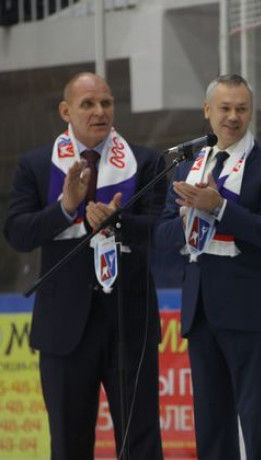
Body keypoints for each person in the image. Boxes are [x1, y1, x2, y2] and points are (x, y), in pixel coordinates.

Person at [3, 72, 164, 459]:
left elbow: (162, 231)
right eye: (88, 104)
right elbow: (18, 233)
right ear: (65, 111)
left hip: (129, 321)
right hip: (63, 326)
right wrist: (65, 208)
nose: (99, 112)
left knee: (140, 442)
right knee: (69, 444)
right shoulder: (36, 164)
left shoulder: (145, 161)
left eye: (106, 103)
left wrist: (117, 222)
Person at [155, 74, 261, 460]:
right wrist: (187, 217)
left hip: (247, 308)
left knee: (256, 418)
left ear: (251, 112)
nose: (233, 117)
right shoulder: (189, 165)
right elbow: (163, 235)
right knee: (211, 423)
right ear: (207, 110)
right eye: (225, 108)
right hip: (200, 308)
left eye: (241, 109)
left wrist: (219, 207)